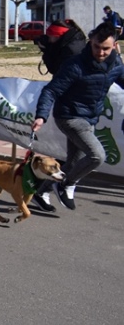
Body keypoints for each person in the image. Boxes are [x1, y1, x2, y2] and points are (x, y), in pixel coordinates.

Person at [31, 21, 124, 212]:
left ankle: (41, 191)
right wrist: (41, 115)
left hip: (90, 118)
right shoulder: (74, 65)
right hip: (69, 117)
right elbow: (51, 91)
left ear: (114, 46)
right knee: (97, 156)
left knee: (74, 161)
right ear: (90, 42)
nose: (100, 52)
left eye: (105, 48)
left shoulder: (116, 64)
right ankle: (66, 184)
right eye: (96, 47)